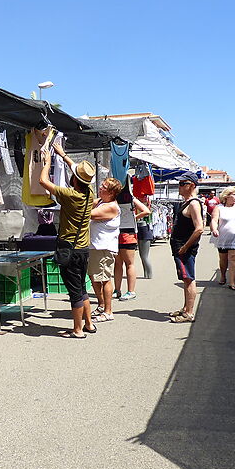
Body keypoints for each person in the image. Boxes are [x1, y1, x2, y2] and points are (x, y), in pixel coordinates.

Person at [39, 142, 95, 338]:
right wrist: (62, 154)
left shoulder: (70, 195)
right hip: (83, 249)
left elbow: (42, 181)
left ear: (75, 180)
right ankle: (89, 324)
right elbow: (76, 170)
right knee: (81, 287)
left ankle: (78, 329)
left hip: (69, 250)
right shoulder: (89, 193)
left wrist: (47, 162)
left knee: (74, 292)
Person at [169, 171, 203, 322]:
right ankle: (185, 308)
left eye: (183, 184)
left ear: (192, 186)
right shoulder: (186, 202)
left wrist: (186, 246)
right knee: (185, 278)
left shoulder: (194, 204)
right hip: (179, 247)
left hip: (185, 249)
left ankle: (189, 313)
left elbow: (199, 228)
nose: (180, 187)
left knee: (189, 278)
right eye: (180, 184)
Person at [88, 177, 122, 323]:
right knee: (94, 278)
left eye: (104, 187)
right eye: (101, 185)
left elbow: (87, 213)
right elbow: (89, 202)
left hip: (103, 248)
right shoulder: (102, 201)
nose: (100, 188)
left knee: (105, 279)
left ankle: (108, 311)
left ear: (112, 192)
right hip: (95, 247)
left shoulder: (111, 207)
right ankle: (101, 305)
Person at [211, 185, 235, 290]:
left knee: (234, 258)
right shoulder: (219, 208)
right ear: (226, 196)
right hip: (223, 238)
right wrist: (214, 229)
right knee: (223, 259)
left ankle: (232, 282)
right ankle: (223, 275)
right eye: (233, 194)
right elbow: (214, 220)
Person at [113, 194, 150, 300]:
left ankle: (131, 291)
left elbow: (146, 210)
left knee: (129, 263)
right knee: (118, 263)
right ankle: (117, 290)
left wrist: (134, 218)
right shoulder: (112, 199)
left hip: (128, 233)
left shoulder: (131, 198)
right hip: (116, 233)